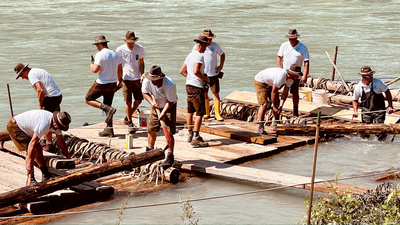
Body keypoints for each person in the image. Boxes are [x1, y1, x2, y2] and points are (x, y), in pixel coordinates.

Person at [7, 109, 72, 186]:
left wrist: (68, 157)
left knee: (38, 148)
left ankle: (45, 174)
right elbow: (32, 144)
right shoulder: (44, 124)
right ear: (55, 122)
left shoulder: (57, 124)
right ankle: (31, 178)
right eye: (59, 127)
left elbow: (61, 142)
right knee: (32, 151)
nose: (58, 130)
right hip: (16, 127)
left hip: (28, 129)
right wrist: (29, 160)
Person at [14, 63, 63, 153]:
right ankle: (48, 140)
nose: (22, 78)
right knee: (53, 118)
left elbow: (40, 90)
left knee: (46, 118)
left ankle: (49, 145)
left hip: (50, 97)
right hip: (57, 95)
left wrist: (40, 105)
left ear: (24, 71)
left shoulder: (31, 74)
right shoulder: (37, 70)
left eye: (21, 75)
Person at [85, 35, 123, 137]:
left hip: (101, 83)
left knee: (88, 99)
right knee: (108, 104)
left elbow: (95, 70)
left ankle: (107, 110)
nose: (96, 47)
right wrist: (120, 81)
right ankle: (109, 130)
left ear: (99, 44)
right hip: (113, 83)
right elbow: (120, 69)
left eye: (97, 45)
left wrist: (91, 65)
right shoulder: (115, 54)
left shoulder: (100, 54)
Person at [142, 65, 178, 169]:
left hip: (169, 106)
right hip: (156, 104)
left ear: (160, 78)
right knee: (151, 129)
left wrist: (163, 113)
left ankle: (170, 156)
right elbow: (144, 92)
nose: (153, 81)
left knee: (169, 132)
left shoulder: (170, 85)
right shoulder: (147, 81)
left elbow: (170, 102)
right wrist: (152, 102)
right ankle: (150, 151)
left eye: (155, 80)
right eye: (151, 79)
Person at [180, 34, 210, 148]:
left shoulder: (190, 55)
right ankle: (196, 137)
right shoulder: (199, 56)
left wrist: (190, 77)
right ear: (202, 45)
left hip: (189, 85)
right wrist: (206, 79)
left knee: (190, 110)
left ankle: (190, 133)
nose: (206, 48)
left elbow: (182, 71)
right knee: (200, 112)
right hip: (197, 86)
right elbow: (196, 71)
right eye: (206, 46)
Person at [254, 65, 302, 134]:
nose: (297, 77)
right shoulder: (281, 77)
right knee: (264, 104)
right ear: (291, 74)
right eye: (296, 75)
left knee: (277, 103)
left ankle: (276, 124)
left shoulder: (291, 80)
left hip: (270, 83)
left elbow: (285, 92)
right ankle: (260, 126)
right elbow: (274, 92)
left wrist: (281, 105)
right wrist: (273, 106)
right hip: (260, 81)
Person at [192, 29, 225, 121]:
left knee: (215, 92)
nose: (210, 41)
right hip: (204, 74)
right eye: (208, 39)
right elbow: (193, 57)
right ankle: (207, 112)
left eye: (211, 39)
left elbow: (222, 55)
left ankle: (217, 113)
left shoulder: (215, 46)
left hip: (213, 73)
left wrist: (220, 66)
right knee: (204, 93)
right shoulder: (197, 46)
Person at [352, 66, 394, 140]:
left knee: (380, 131)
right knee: (365, 133)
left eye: (372, 75)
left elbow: (387, 92)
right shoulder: (358, 87)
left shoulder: (378, 82)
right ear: (363, 77)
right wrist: (355, 111)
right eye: (369, 76)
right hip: (366, 111)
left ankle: (382, 145)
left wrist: (390, 106)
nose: (371, 77)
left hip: (379, 110)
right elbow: (355, 100)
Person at [116, 31, 146, 132]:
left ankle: (127, 116)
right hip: (126, 78)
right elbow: (118, 66)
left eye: (132, 42)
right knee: (128, 101)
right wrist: (118, 79)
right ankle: (130, 122)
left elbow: (142, 63)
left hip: (137, 78)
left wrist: (142, 74)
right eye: (129, 42)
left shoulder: (140, 48)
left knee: (139, 100)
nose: (131, 44)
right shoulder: (120, 50)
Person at [277, 29, 310, 117]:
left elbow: (306, 62)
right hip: (285, 72)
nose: (291, 41)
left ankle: (295, 110)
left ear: (296, 38)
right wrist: (280, 69)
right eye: (290, 39)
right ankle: (277, 107)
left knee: (294, 92)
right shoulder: (284, 45)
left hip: (295, 74)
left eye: (293, 39)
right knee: (278, 89)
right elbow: (279, 57)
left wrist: (305, 75)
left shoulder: (303, 48)